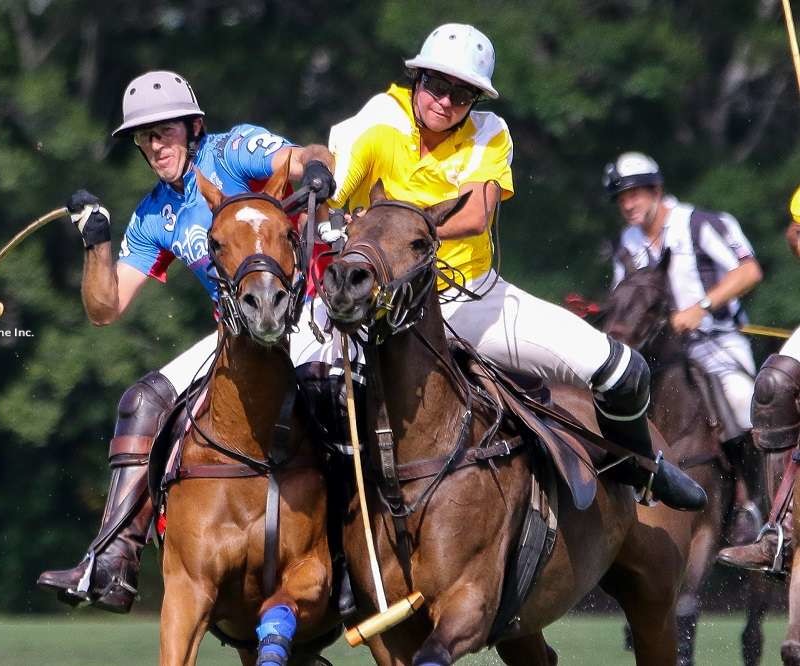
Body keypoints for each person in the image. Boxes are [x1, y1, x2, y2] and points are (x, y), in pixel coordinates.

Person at [327, 23, 706, 511]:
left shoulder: (489, 131)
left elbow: (475, 214)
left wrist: (403, 234)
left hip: (468, 299)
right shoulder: (380, 119)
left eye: (462, 94)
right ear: (417, 79)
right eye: (437, 85)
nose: (445, 101)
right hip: (368, 305)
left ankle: (635, 467)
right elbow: (333, 186)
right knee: (300, 391)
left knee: (622, 371)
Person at [36, 70, 335, 612]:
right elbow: (105, 309)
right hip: (239, 339)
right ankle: (112, 560)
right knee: (141, 401)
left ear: (194, 127)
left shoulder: (234, 151)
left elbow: (305, 155)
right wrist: (96, 244)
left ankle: (359, 551)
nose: (154, 146)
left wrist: (316, 169)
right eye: (144, 138)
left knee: (331, 400)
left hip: (314, 312)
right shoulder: (154, 213)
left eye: (164, 131)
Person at [606, 151, 763, 452]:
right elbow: (623, 297)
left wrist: (700, 307)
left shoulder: (700, 223)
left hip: (715, 342)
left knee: (742, 401)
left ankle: (756, 495)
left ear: (656, 190)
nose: (627, 205)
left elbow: (749, 271)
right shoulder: (626, 243)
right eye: (620, 198)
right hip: (655, 355)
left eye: (634, 195)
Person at [718, 186, 800, 573]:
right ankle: (778, 532)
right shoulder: (628, 244)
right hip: (692, 343)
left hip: (716, 341)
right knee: (772, 386)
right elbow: (794, 230)